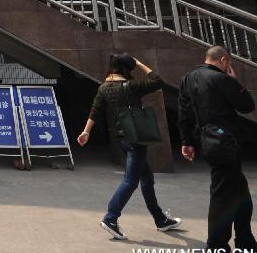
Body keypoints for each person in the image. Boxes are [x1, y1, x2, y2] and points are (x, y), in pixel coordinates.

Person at [178, 45, 257, 253]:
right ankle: (217, 250)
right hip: (224, 143)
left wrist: (187, 141)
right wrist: (235, 81)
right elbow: (247, 105)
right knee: (223, 197)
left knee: (241, 193)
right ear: (224, 60)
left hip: (210, 141)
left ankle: (246, 244)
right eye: (229, 63)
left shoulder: (188, 78)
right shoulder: (222, 79)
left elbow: (184, 112)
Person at [77, 53, 181, 240]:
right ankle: (110, 218)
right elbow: (158, 82)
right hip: (136, 139)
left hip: (123, 138)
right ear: (127, 68)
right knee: (131, 181)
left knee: (147, 178)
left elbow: (95, 110)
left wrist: (86, 131)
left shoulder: (104, 88)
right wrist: (141, 63)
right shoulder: (132, 87)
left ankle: (160, 219)